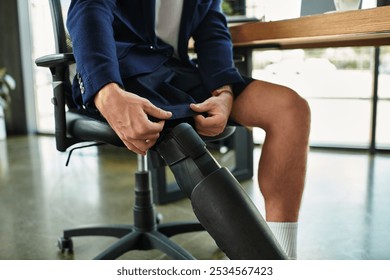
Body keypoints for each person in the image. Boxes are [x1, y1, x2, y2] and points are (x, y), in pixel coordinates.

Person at [67, 0, 311, 260]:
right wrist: (105, 91)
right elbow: (89, 7)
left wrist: (224, 92)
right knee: (181, 137)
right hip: (123, 73)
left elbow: (212, 29)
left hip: (174, 71)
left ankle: (284, 258)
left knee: (290, 110)